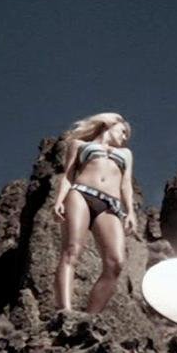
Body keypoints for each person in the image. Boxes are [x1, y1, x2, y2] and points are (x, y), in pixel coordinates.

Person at [52, 112, 139, 313]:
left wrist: (130, 212)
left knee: (116, 263)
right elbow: (68, 176)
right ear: (109, 125)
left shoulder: (126, 154)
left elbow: (126, 184)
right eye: (123, 131)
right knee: (71, 250)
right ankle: (65, 311)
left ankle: (90, 318)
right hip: (81, 194)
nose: (125, 137)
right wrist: (58, 201)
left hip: (110, 205)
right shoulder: (79, 145)